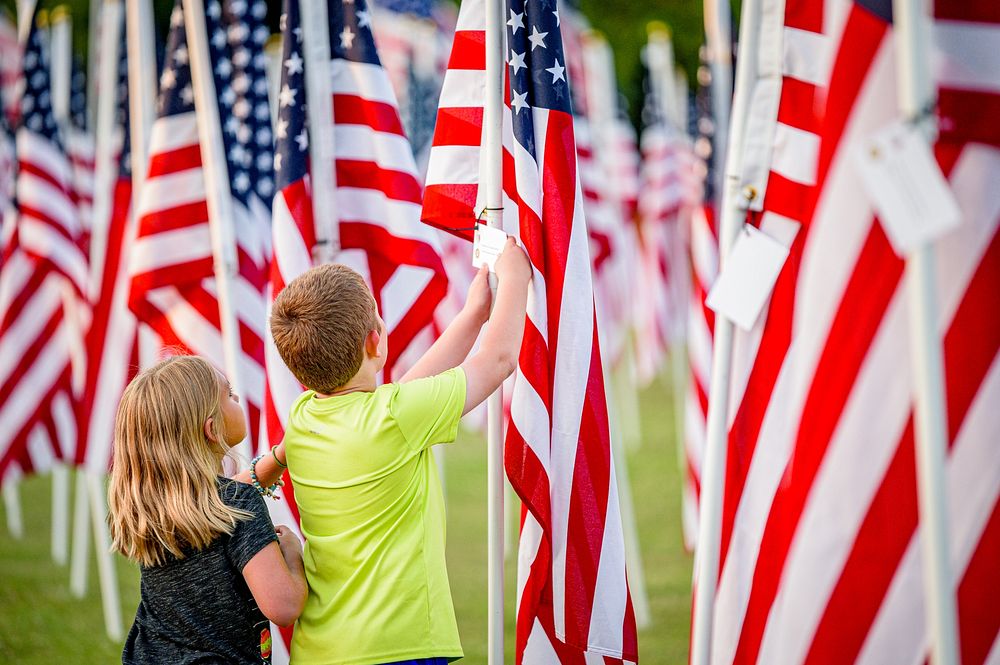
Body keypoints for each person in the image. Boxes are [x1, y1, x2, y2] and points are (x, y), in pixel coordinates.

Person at [269, 238, 532, 664]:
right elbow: (499, 360)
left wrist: (472, 316)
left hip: (320, 650)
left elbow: (406, 393)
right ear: (376, 341)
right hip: (398, 647)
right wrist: (517, 271)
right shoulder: (395, 419)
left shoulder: (304, 417)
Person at [108, 355, 308, 664]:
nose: (238, 397)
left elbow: (217, 501)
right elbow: (284, 606)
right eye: (228, 394)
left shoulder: (152, 509)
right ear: (211, 429)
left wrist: (278, 458)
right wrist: (293, 554)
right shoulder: (238, 504)